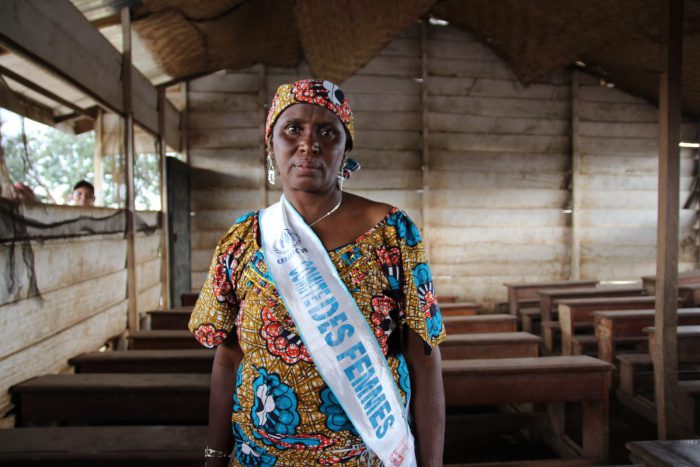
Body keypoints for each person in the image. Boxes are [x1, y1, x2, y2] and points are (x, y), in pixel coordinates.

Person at [189, 79, 445, 467]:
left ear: (345, 150)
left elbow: (424, 358)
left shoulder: (393, 233)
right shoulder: (243, 239)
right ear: (271, 144)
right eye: (293, 129)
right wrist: (213, 456)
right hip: (259, 459)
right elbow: (227, 357)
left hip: (369, 457)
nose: (309, 144)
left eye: (327, 132)